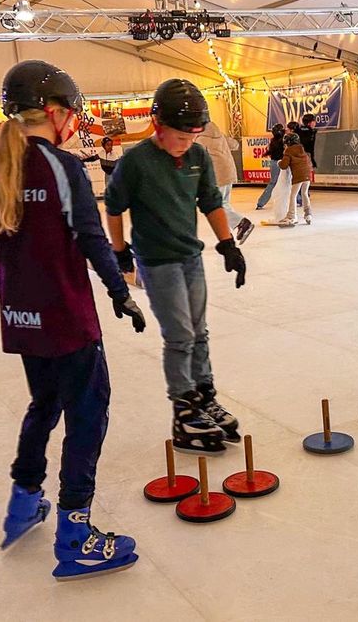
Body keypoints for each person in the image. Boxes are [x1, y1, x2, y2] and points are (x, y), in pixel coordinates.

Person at [0, 60, 143, 580]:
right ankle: (77, 535)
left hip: (22, 319)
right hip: (67, 319)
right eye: (73, 116)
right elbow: (91, 238)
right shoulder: (63, 168)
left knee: (44, 405)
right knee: (88, 415)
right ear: (57, 113)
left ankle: (23, 505)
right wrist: (118, 293)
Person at [104, 78, 248, 456]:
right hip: (157, 262)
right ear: (158, 126)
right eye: (180, 136)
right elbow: (114, 207)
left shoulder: (198, 157)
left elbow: (211, 201)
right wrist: (119, 252)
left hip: (190, 257)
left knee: (199, 332)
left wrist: (228, 244)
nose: (187, 143)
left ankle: (204, 397)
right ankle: (183, 410)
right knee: (180, 336)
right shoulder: (136, 161)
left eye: (193, 136)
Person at [196, 120, 254, 244]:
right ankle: (228, 236)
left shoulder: (200, 139)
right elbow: (235, 145)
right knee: (224, 203)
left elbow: (196, 157)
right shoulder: (219, 134)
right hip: (229, 172)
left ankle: (242, 223)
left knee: (218, 206)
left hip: (218, 175)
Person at [278, 131, 312, 226]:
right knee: (304, 193)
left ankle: (291, 216)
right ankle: (308, 214)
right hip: (307, 174)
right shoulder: (302, 149)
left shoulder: (289, 151)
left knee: (293, 195)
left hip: (298, 176)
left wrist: (279, 162)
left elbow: (284, 165)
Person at [256, 123, 285, 210]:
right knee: (288, 182)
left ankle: (261, 202)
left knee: (272, 183)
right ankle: (297, 200)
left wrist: (266, 153)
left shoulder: (273, 141)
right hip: (282, 162)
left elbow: (270, 151)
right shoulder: (283, 141)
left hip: (273, 163)